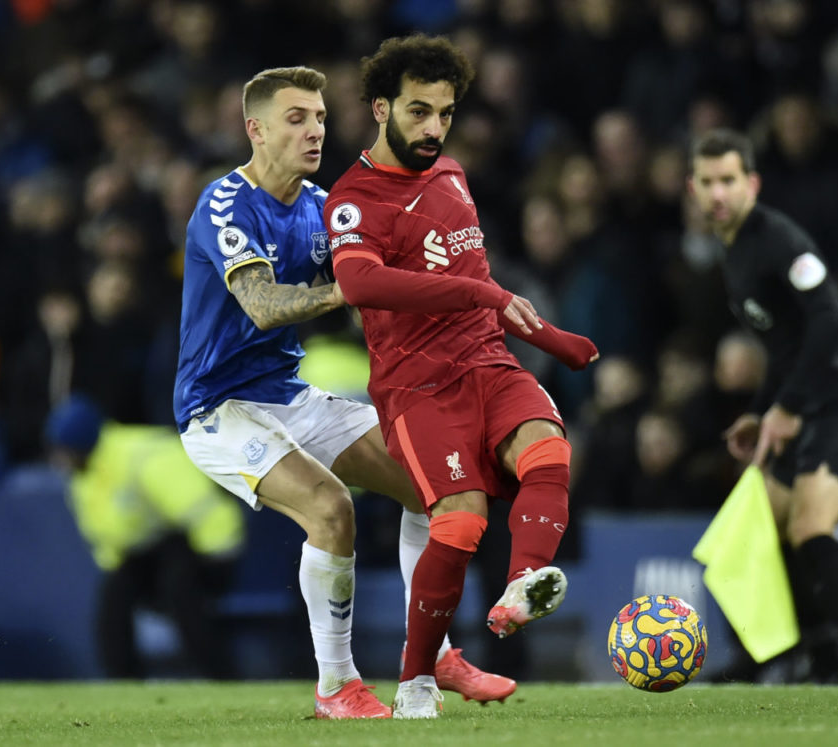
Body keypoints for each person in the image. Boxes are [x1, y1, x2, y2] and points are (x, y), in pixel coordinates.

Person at [173, 65, 513, 719]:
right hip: (218, 408)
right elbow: (262, 303)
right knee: (332, 509)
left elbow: (373, 295)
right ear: (257, 129)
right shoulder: (224, 202)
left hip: (289, 397)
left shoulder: (321, 208)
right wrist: (345, 289)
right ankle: (336, 685)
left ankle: (433, 651)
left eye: (321, 117)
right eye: (296, 118)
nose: (314, 130)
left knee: (431, 482)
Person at [324, 34, 599, 718]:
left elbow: (480, 284)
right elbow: (358, 282)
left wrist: (556, 341)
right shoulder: (354, 200)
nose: (434, 128)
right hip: (418, 387)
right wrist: (484, 299)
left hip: (488, 362)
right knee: (461, 520)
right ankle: (418, 677)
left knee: (549, 451)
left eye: (444, 113)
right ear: (381, 108)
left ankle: (521, 586)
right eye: (419, 111)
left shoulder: (451, 174)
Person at [688, 127, 838, 683]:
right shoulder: (734, 253)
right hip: (807, 398)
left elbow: (828, 321)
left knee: (810, 524)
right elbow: (784, 347)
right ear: (693, 189)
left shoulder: (780, 240)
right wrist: (762, 410)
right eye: (707, 182)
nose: (718, 193)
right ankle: (806, 657)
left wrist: (789, 406)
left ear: (751, 182)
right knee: (764, 525)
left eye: (728, 180)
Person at [46, 394, 244, 680]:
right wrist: (117, 569)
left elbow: (202, 509)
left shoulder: (139, 454)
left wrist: (217, 562)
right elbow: (107, 534)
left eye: (63, 450)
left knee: (181, 586)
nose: (58, 460)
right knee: (114, 595)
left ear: (80, 443)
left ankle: (222, 677)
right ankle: (123, 683)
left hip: (198, 547)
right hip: (149, 553)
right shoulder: (84, 473)